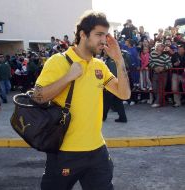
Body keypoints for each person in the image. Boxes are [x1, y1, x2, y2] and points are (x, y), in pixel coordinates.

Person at [32, 10, 131, 190]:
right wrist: (68, 77)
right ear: (83, 34)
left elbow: (124, 94)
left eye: (105, 35)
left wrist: (119, 60)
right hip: (64, 152)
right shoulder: (58, 62)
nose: (103, 40)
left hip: (97, 151)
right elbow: (37, 97)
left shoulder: (99, 65)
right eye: (99, 34)